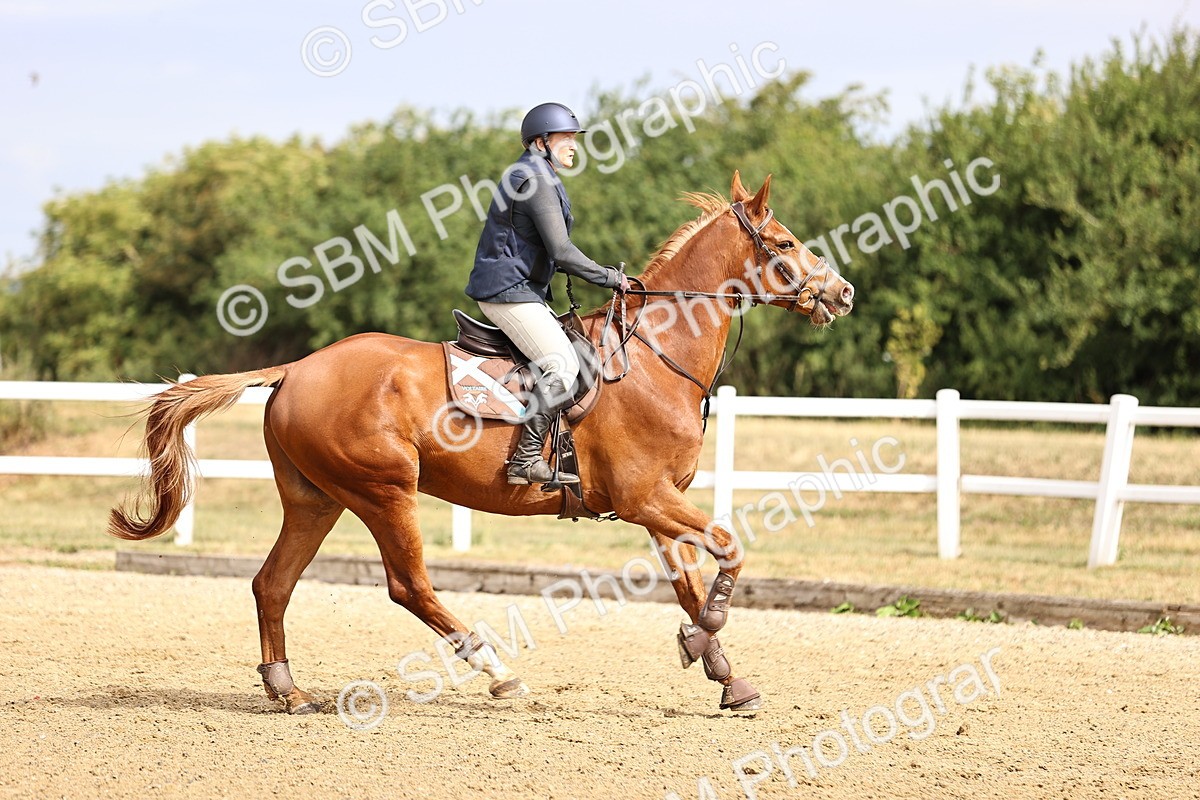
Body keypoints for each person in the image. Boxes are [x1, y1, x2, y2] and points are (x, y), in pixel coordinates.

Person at [465, 102, 630, 486]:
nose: (574, 145)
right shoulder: (534, 179)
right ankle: (525, 460)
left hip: (520, 291)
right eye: (565, 138)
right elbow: (561, 251)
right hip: (507, 291)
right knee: (562, 364)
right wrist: (610, 278)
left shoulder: (538, 174)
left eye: (574, 138)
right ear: (541, 142)